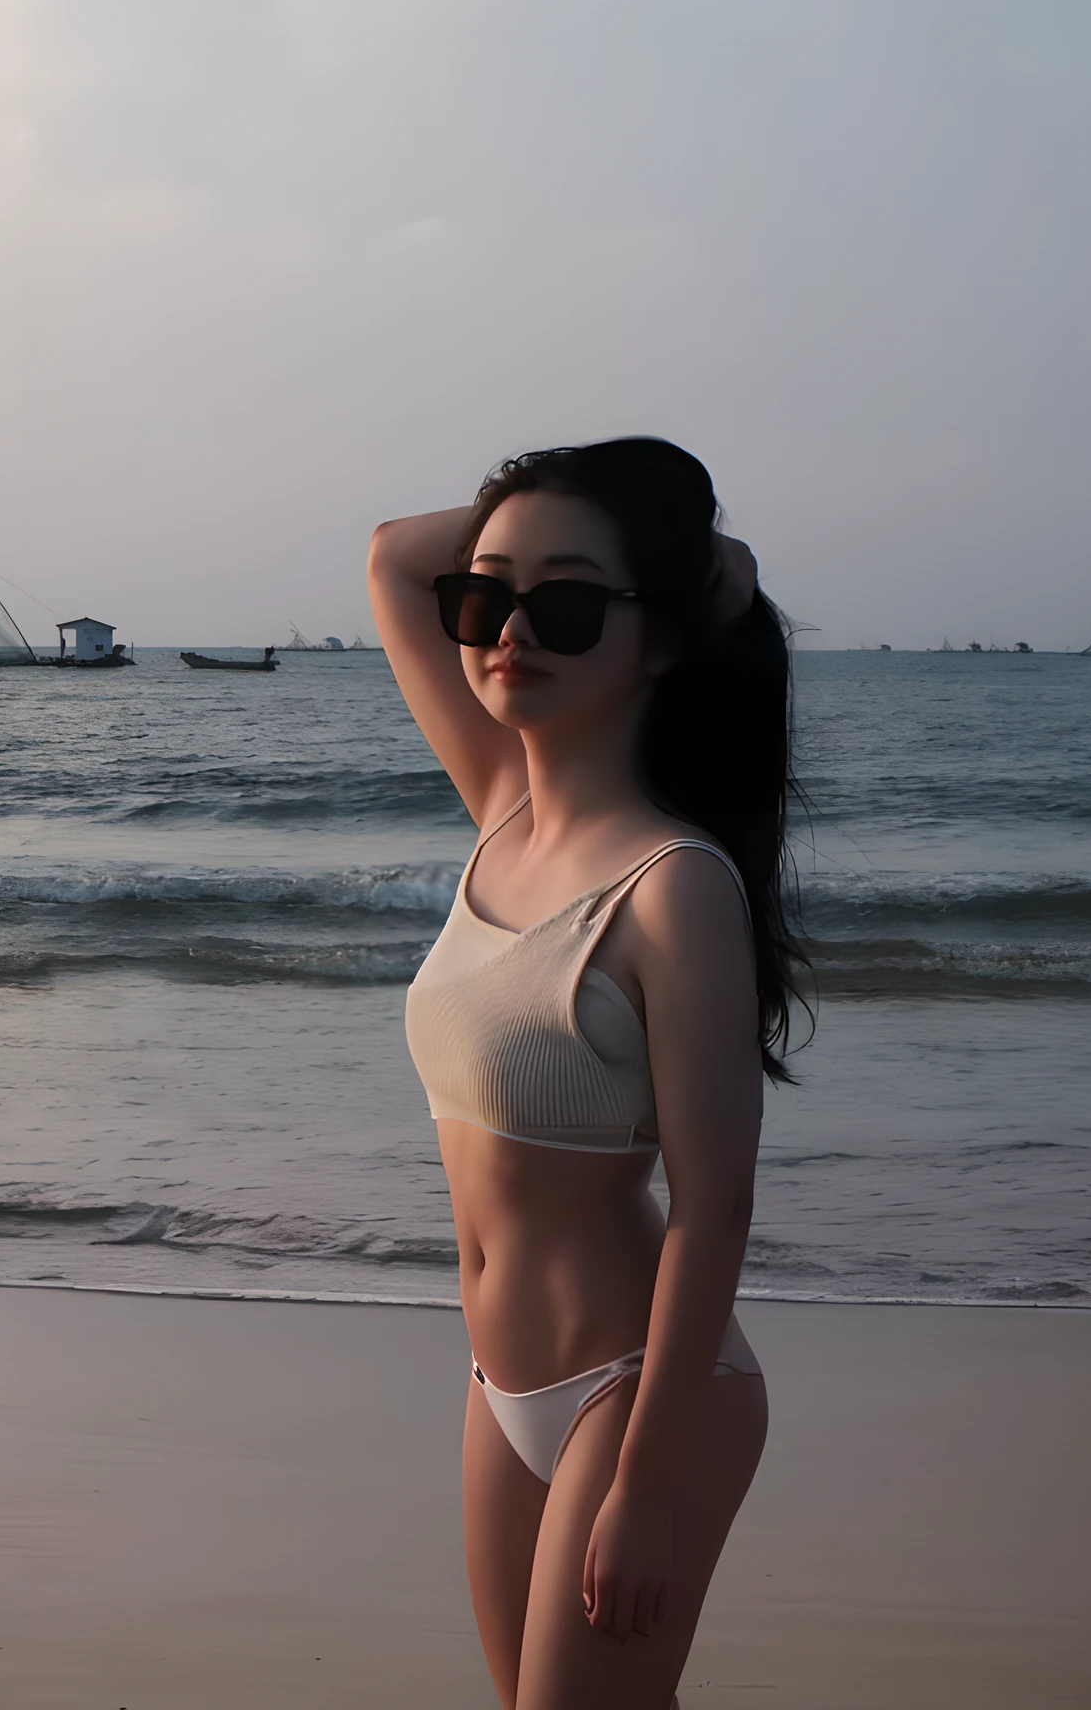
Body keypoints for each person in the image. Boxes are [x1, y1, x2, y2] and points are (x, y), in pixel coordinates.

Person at [367, 437, 802, 1709]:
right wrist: (656, 549)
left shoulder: (672, 886)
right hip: (500, 1382)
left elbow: (713, 1202)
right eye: (487, 596)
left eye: (563, 602)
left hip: (642, 1390)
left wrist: (648, 1486)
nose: (509, 628)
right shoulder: (500, 809)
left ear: (656, 639)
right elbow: (397, 556)